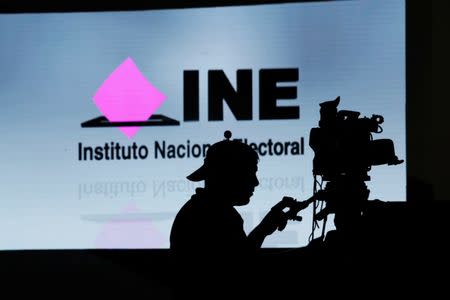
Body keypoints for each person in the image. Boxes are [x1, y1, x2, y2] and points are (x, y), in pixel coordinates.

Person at [169, 130, 312, 299]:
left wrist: (264, 228)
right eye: (250, 173)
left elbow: (240, 260)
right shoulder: (216, 216)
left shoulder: (202, 210)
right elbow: (243, 270)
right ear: (229, 175)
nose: (256, 182)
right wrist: (308, 256)